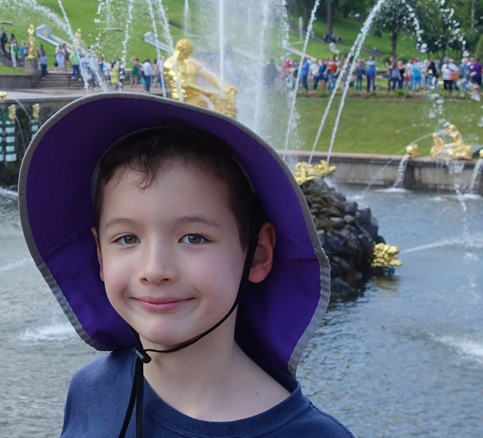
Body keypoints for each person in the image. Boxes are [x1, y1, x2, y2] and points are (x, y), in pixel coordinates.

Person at [19, 94, 354, 438]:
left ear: (257, 254)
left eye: (193, 238)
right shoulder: (91, 389)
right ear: (100, 256)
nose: (154, 269)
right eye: (126, 239)